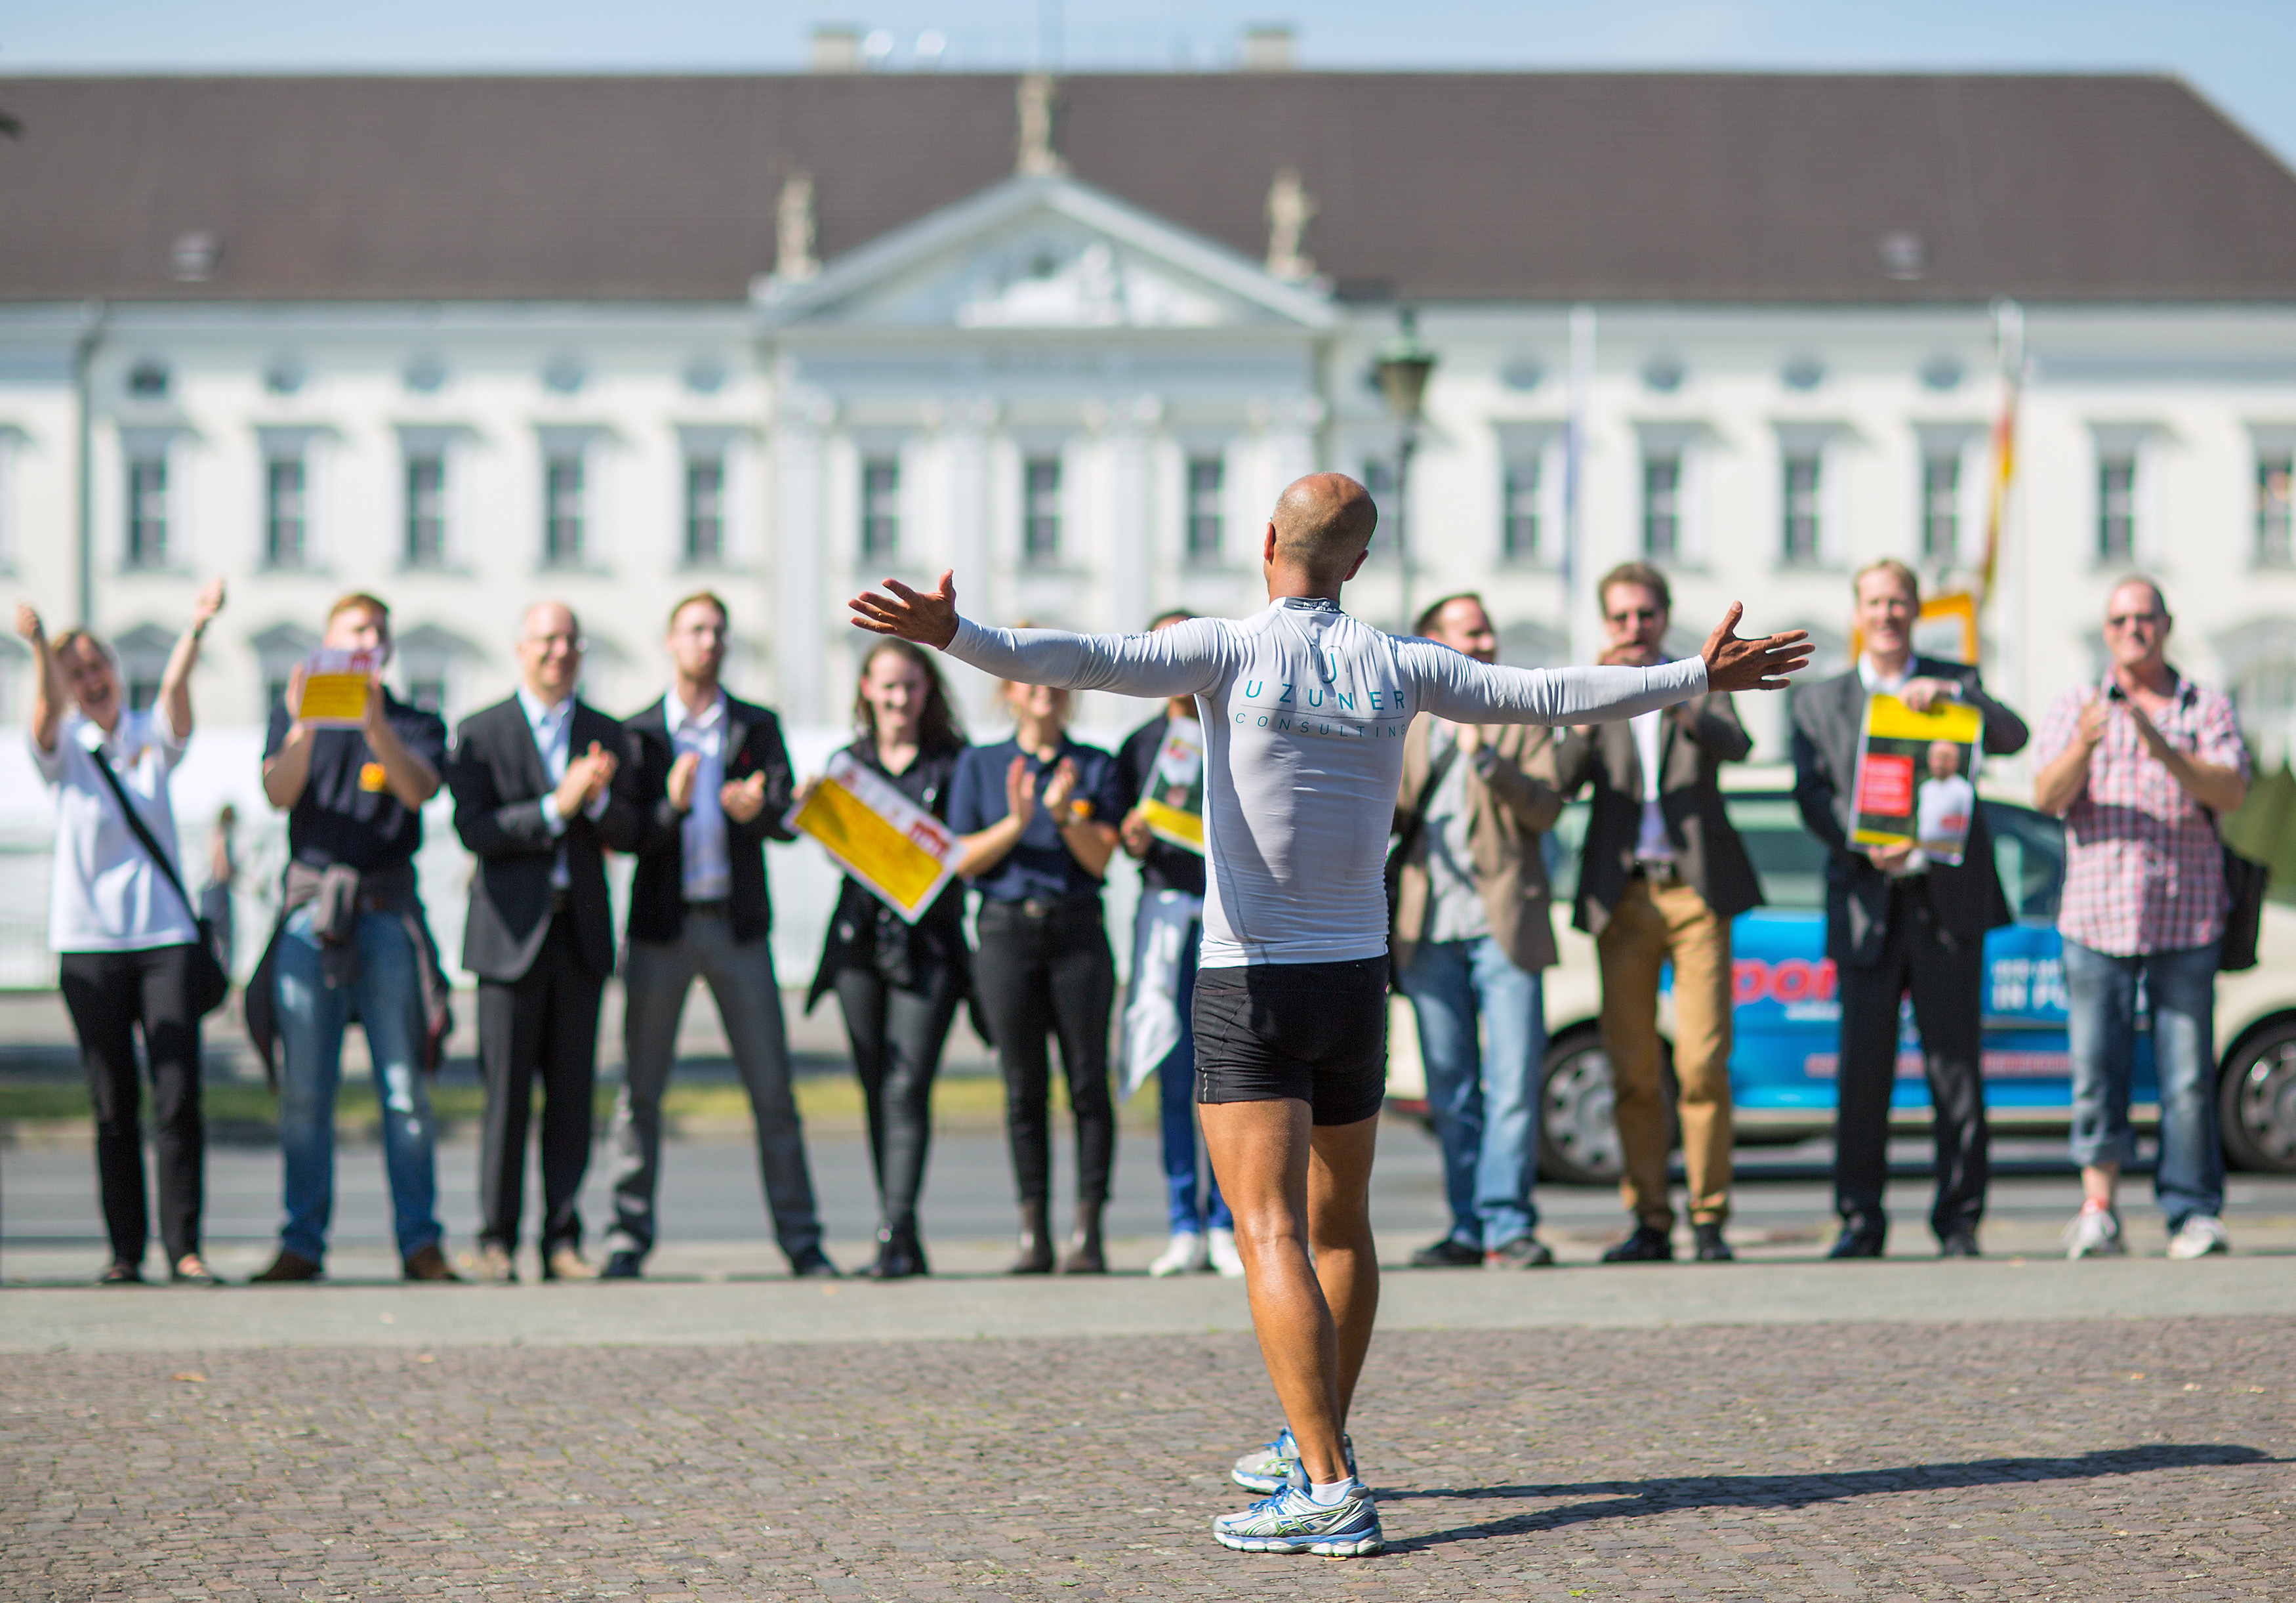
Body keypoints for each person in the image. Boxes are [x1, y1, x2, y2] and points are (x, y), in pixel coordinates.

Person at [850, 472, 1808, 1557]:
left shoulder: (1224, 648)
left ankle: (1329, 1482)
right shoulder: (1398, 662)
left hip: (1250, 978)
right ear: (1355, 563)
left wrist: (954, 632)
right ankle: (1314, 1431)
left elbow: (1077, 656)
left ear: (1267, 542)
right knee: (1339, 1226)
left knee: (1268, 1232)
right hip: (1356, 975)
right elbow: (1551, 692)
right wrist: (1694, 670)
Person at [1792, 558, 2028, 1260]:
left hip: (1944, 902)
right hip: (1867, 902)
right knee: (1861, 1073)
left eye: (1898, 602)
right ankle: (1858, 1218)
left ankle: (1958, 1220)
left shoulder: (1953, 680)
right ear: (1855, 612)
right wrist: (1864, 844)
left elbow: (2012, 738)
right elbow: (1809, 795)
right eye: (1874, 602)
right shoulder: (1817, 702)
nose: (1886, 614)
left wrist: (1961, 699)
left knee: (1954, 1068)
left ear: (1915, 610)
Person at [606, 593, 834, 1280]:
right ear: (670, 642)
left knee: (773, 1092)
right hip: (660, 931)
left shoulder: (755, 726)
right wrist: (670, 807)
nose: (708, 641)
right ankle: (627, 1237)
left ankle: (801, 1240)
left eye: (717, 632)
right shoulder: (639, 732)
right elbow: (625, 834)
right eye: (695, 630)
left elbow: (786, 820)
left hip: (736, 929)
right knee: (639, 1093)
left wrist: (759, 808)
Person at [2033, 577, 2250, 1260]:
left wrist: (2161, 746)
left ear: (2165, 624)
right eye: (2120, 618)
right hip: (2095, 921)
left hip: (2183, 919)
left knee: (2185, 1077)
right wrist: (2083, 746)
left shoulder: (2202, 707)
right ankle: (2097, 1207)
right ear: (2106, 631)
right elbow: (2044, 796)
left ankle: (2190, 1211)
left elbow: (2232, 789)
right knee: (2096, 1071)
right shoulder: (2075, 704)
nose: (2133, 628)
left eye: (2144, 617)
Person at [18, 581, 227, 1286]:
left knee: (177, 1094)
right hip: (89, 944)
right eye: (75, 672)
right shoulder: (63, 749)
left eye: (96, 666)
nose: (90, 680)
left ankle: (186, 1246)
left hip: (164, 937)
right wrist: (40, 646)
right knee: (112, 1104)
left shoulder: (146, 736)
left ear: (114, 668)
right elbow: (44, 710)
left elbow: (175, 691)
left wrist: (195, 630)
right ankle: (125, 1251)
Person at [247, 593, 458, 1283]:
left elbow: (418, 789)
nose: (367, 638)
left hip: (387, 911)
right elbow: (278, 793)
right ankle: (301, 1241)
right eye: (353, 630)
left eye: (376, 631)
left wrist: (374, 725)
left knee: (405, 1091)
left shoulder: (413, 719)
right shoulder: (296, 716)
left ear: (386, 650)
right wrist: (306, 722)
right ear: (326, 645)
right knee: (307, 1092)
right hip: (314, 914)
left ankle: (419, 1241)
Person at [1557, 562, 1763, 1264]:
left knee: (1702, 1062)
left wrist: (1683, 690)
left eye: (1644, 616)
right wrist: (1591, 698)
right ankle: (1648, 1217)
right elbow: (1558, 782)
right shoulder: (1598, 687)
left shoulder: (1695, 676)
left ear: (1663, 617)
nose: (1633, 630)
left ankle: (1708, 1218)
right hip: (1623, 896)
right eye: (1619, 618)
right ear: (1604, 625)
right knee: (1633, 1068)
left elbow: (1738, 745)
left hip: (1693, 892)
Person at [447, 602, 641, 1283]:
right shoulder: (480, 732)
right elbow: (474, 828)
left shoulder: (606, 733)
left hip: (578, 933)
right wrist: (554, 808)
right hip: (507, 938)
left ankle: (562, 1238)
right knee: (505, 1099)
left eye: (569, 640)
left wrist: (595, 803)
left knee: (571, 1096)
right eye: (546, 640)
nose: (559, 651)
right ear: (520, 648)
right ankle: (496, 1237)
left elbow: (633, 827)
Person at [1391, 592, 1565, 1271]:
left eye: (1489, 631)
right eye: (1471, 632)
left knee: (1515, 1080)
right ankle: (1466, 1224)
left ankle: (1508, 1223)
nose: (1487, 642)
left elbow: (1547, 809)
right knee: (1450, 1087)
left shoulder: (1521, 712)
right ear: (1435, 644)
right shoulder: (1406, 721)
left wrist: (1488, 761)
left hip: (1505, 924)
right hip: (1426, 925)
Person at [945, 665, 1128, 1276]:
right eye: (1026, 681)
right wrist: (1019, 823)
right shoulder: (979, 763)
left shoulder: (1094, 765)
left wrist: (1065, 816)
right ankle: (1033, 1232)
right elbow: (962, 860)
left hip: (1076, 928)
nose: (1041, 691)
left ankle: (1089, 1229)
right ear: (1009, 694)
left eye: (1052, 680)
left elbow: (1102, 859)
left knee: (1086, 1083)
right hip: (1003, 932)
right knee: (1023, 1087)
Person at [806, 637, 972, 1280]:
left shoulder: (954, 764)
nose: (898, 698)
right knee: (877, 1088)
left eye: (909, 685)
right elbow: (834, 850)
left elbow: (963, 853)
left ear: (927, 692)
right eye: (886, 686)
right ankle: (896, 1223)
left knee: (907, 1086)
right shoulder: (846, 763)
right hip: (857, 947)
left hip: (927, 948)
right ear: (866, 692)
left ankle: (895, 1230)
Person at [1115, 609, 1240, 1280]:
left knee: (1227, 1075)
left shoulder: (1235, 727)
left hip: (1227, 917)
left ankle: (1225, 1220)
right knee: (1170, 1069)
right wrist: (1131, 836)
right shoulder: (1139, 745)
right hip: (1163, 914)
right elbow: (1110, 836)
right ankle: (1181, 1221)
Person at [1915, 741, 1977, 859]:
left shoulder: (1964, 792)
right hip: (1924, 858)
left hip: (1950, 860)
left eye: (1945, 758)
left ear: (1956, 762)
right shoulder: (1926, 789)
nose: (1939, 763)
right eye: (1935, 758)